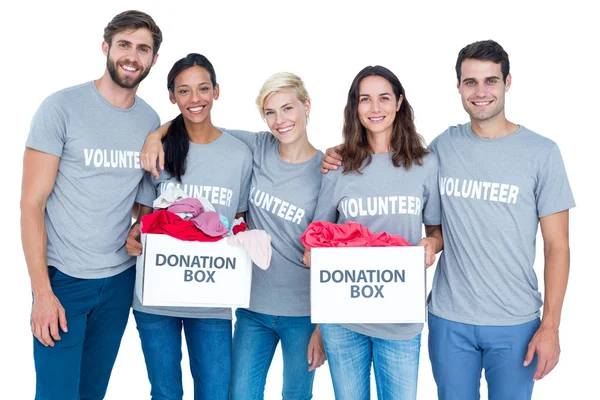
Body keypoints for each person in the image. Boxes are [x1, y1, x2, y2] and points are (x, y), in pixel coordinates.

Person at [321, 40, 575, 400]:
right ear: (458, 87)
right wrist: (336, 154)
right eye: (470, 82)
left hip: (515, 321)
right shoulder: (442, 148)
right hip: (448, 319)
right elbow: (390, 161)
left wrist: (551, 326)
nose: (481, 91)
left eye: (491, 81)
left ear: (508, 82)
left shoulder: (542, 153)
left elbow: (558, 246)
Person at [139, 72, 326, 400]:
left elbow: (330, 251)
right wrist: (156, 134)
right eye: (270, 112)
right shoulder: (257, 146)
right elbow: (199, 123)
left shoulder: (327, 170)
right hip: (252, 306)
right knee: (238, 395)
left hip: (303, 311)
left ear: (306, 106)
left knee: (296, 395)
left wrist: (323, 326)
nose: (280, 120)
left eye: (288, 108)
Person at [20, 10, 161, 400]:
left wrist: (141, 227)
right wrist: (42, 293)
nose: (132, 56)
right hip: (63, 279)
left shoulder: (150, 121)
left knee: (91, 392)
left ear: (153, 60)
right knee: (56, 394)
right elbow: (31, 204)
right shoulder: (61, 107)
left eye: (143, 49)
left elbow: (143, 205)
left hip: (118, 281)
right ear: (106, 47)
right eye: (124, 45)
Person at [309, 65, 443, 400]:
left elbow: (436, 231)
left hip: (401, 319)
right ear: (355, 107)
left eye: (384, 98)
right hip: (343, 321)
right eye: (365, 99)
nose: (375, 108)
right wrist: (318, 321)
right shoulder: (338, 166)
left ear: (399, 102)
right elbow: (317, 238)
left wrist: (431, 244)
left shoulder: (425, 164)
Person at [126, 53, 253, 400]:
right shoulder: (159, 148)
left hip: (212, 299)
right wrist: (135, 234)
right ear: (172, 96)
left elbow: (237, 220)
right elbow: (144, 216)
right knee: (165, 394)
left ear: (216, 91)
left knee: (214, 393)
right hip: (155, 298)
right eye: (184, 91)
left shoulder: (239, 154)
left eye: (202, 89)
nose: (194, 99)